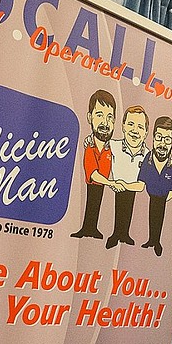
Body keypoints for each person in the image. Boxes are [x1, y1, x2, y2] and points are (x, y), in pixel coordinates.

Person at [70, 90, 116, 241]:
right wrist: (110, 182)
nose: (105, 122)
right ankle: (87, 227)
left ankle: (93, 227)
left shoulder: (113, 148)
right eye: (100, 115)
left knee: (97, 203)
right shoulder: (89, 146)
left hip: (103, 183)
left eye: (110, 117)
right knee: (91, 201)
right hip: (94, 182)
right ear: (89, 118)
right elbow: (92, 172)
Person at [106, 106, 148, 249]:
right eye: (130, 124)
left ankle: (124, 234)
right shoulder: (113, 145)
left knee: (128, 206)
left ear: (146, 133)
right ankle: (116, 234)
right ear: (123, 126)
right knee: (118, 207)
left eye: (140, 127)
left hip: (131, 188)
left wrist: (124, 184)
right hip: (113, 188)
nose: (135, 130)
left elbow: (142, 185)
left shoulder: (148, 156)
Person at [138, 116, 172, 257]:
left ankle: (157, 241)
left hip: (162, 199)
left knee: (159, 219)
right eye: (159, 137)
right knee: (151, 217)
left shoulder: (171, 166)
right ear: (153, 138)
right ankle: (151, 240)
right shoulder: (147, 159)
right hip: (151, 196)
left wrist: (167, 197)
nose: (162, 143)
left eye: (167, 139)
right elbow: (141, 181)